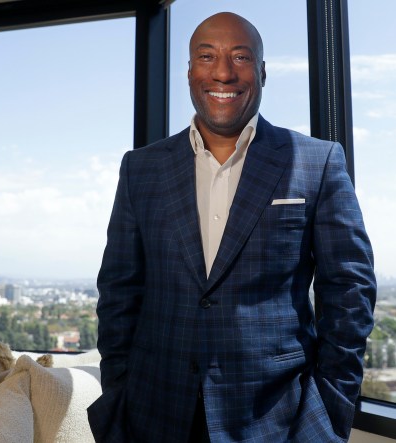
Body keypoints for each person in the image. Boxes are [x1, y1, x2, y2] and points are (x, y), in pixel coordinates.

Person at [87, 12, 376, 443]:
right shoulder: (141, 169)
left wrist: (330, 409)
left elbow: (350, 293)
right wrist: (121, 390)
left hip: (276, 419)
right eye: (207, 57)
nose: (223, 71)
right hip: (152, 413)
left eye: (240, 57)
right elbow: (119, 291)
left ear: (261, 73)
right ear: (189, 72)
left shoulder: (317, 162)